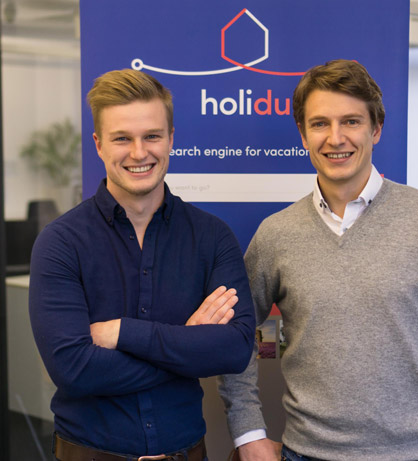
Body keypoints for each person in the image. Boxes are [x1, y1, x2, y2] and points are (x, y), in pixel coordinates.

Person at [218, 59, 418, 461]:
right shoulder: (276, 234)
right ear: (303, 134)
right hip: (305, 454)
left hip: (417, 456)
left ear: (376, 128)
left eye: (351, 121)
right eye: (320, 124)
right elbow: (236, 336)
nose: (335, 138)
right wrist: (248, 433)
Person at [29, 69, 255, 461]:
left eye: (152, 136)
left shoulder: (212, 236)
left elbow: (235, 350)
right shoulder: (60, 243)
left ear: (171, 139)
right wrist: (186, 344)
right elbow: (73, 370)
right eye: (122, 138)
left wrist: (123, 333)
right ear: (99, 145)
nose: (139, 153)